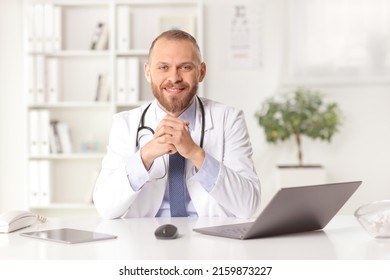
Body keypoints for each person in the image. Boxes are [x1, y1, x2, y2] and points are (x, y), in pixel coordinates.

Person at [93, 30, 260, 219]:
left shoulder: (229, 120)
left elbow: (248, 206)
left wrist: (195, 154)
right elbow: (105, 207)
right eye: (163, 67)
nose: (174, 78)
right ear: (148, 72)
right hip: (144, 239)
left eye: (185, 67)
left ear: (201, 72)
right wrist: (145, 156)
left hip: (210, 239)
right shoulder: (125, 124)